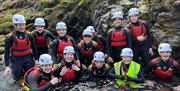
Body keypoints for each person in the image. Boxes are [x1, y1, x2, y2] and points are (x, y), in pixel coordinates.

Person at [3, 14, 38, 85]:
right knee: (17, 78)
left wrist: (36, 59)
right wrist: (7, 66)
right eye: (19, 25)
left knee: (31, 75)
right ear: (14, 25)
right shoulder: (9, 37)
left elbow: (34, 48)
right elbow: (6, 52)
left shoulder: (29, 35)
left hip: (28, 58)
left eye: (23, 25)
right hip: (16, 60)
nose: (22, 27)